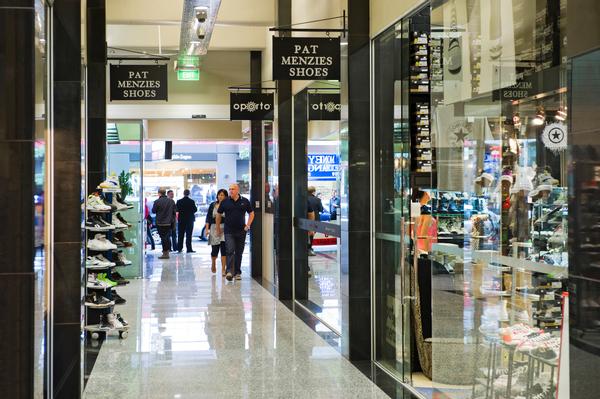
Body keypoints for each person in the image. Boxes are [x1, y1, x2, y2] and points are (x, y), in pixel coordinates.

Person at [216, 184, 254, 281]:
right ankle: (229, 271)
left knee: (239, 252)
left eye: (232, 189)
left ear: (237, 190)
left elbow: (251, 213)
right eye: (229, 189)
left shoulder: (245, 201)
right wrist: (217, 227)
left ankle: (237, 272)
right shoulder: (225, 201)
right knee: (230, 250)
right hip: (229, 231)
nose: (230, 191)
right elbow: (218, 214)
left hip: (241, 231)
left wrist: (248, 225)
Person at [205, 189, 228, 275]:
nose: (220, 196)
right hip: (214, 227)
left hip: (224, 228)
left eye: (222, 195)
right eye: (219, 195)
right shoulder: (213, 205)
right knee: (214, 249)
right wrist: (207, 229)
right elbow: (208, 217)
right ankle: (213, 263)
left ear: (225, 196)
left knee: (224, 249)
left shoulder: (228, 205)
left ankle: (223, 269)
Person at [152, 188, 176, 259]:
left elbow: (153, 211)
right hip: (169, 223)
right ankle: (167, 252)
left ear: (159, 193)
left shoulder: (157, 201)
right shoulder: (171, 201)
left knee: (163, 238)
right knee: (167, 237)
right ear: (165, 193)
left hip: (160, 223)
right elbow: (174, 211)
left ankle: (165, 253)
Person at [176, 189, 198, 253]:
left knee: (180, 234)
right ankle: (189, 249)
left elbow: (176, 210)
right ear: (189, 193)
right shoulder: (191, 201)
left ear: (183, 193)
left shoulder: (179, 201)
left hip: (181, 220)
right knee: (189, 235)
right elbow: (195, 210)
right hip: (189, 220)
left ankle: (179, 248)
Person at [307, 186, 323, 256]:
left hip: (306, 220)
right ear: (313, 192)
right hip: (315, 221)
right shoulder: (317, 200)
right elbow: (321, 209)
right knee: (311, 235)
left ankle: (308, 248)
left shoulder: (305, 199)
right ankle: (309, 248)